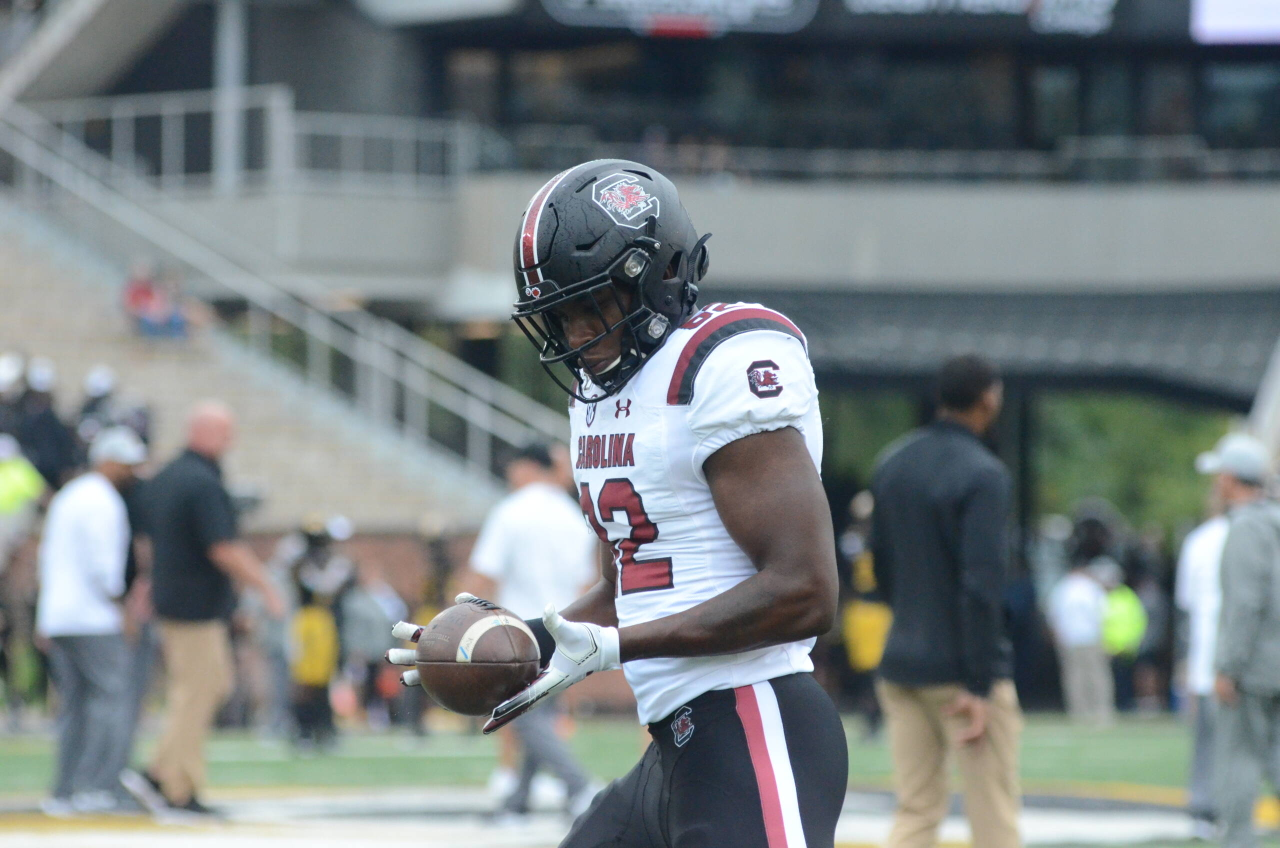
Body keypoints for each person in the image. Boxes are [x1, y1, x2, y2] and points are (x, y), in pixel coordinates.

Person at [389, 159, 847, 847]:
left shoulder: (722, 362)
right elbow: (622, 587)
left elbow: (805, 591)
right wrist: (520, 643)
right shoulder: (598, 396)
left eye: (589, 308)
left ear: (657, 276)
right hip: (678, 744)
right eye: (558, 316)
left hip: (755, 719)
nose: (574, 337)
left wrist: (615, 647)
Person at [870, 354, 1022, 848]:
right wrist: (980, 681)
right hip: (962, 673)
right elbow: (980, 585)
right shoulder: (985, 474)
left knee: (915, 811)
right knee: (992, 816)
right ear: (988, 399)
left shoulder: (892, 463)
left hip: (900, 664)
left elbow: (883, 566)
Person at [120, 400, 283, 819]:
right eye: (225, 432)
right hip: (194, 606)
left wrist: (146, 581)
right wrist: (266, 586)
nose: (230, 441)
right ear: (204, 432)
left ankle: (160, 771)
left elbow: (146, 539)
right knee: (198, 691)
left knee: (205, 687)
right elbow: (222, 546)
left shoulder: (167, 477)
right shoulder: (201, 482)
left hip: (174, 599)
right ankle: (178, 786)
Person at [459, 441, 598, 818]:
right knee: (537, 711)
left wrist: (460, 623)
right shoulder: (573, 516)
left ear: (526, 468)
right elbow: (588, 581)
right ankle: (521, 795)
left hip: (517, 631)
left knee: (519, 714)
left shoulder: (511, 512)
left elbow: (485, 575)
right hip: (565, 626)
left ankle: (580, 785)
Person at [35, 427, 148, 816]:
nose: (132, 472)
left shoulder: (69, 496)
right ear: (108, 461)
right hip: (94, 617)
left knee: (74, 706)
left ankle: (64, 789)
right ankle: (97, 786)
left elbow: (48, 559)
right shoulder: (104, 501)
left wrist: (43, 616)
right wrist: (123, 609)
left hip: (61, 615)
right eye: (127, 464)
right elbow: (104, 566)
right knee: (111, 701)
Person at [1200, 433, 1280, 848]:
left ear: (1230, 479)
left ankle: (1239, 840)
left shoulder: (1247, 528)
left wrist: (1227, 665)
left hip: (1254, 667)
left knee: (1240, 759)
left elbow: (1244, 603)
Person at [1175, 496, 1229, 840]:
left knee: (1209, 743)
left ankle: (1205, 810)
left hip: (1211, 659)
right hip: (1245, 659)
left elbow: (1186, 603)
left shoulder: (1200, 539)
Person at [1047, 558, 1110, 724]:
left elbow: (1053, 615)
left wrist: (1057, 636)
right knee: (1097, 675)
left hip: (1069, 638)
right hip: (1091, 637)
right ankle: (1101, 710)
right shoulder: (1092, 588)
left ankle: (1078, 712)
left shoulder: (1062, 588)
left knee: (1074, 676)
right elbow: (1102, 614)